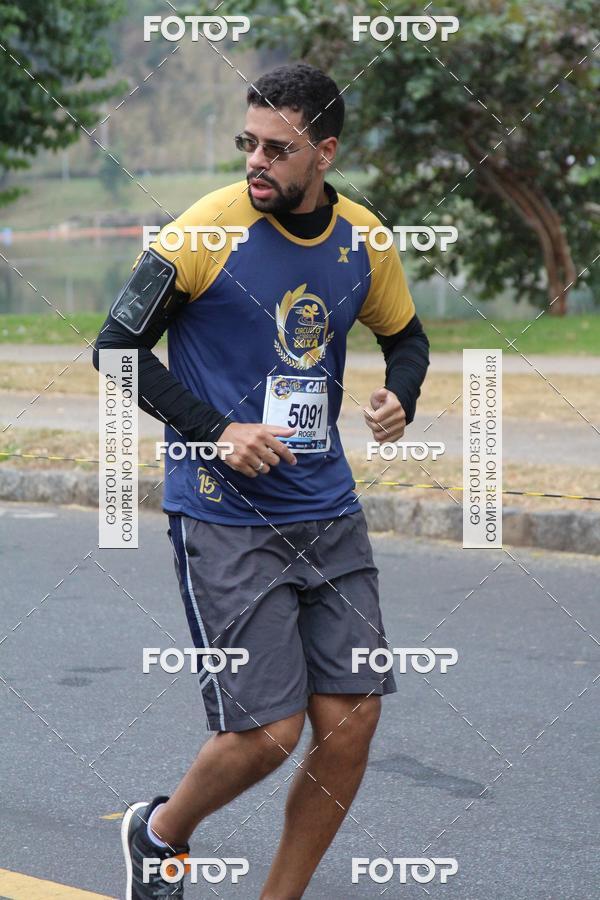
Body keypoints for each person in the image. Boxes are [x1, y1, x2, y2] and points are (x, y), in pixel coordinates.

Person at [93, 62, 429, 900]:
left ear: (324, 152)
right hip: (223, 514)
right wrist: (218, 431)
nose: (256, 161)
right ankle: (158, 832)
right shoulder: (202, 231)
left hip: (328, 511)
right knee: (272, 732)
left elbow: (408, 337)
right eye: (248, 143)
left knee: (351, 724)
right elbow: (115, 350)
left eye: (277, 149)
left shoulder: (363, 238)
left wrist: (403, 399)